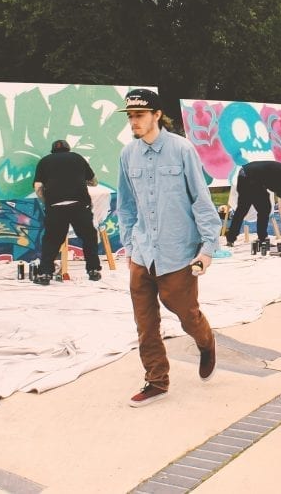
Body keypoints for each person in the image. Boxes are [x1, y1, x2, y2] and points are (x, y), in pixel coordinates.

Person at [116, 88, 222, 407]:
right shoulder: (127, 154)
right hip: (142, 253)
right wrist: (129, 245)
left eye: (140, 115)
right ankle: (156, 380)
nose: (134, 121)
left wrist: (207, 249)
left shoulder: (182, 150)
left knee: (186, 314)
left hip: (178, 254)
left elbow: (202, 202)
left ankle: (206, 343)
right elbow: (125, 206)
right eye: (131, 116)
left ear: (157, 115)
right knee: (145, 324)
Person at [33, 140, 102, 284]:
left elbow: (38, 186)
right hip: (79, 205)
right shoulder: (77, 158)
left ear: (53, 151)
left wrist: (47, 202)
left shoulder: (44, 161)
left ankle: (45, 274)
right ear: (68, 149)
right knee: (89, 237)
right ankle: (93, 270)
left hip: (56, 207)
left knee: (51, 240)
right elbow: (94, 181)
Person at [224, 161, 281, 247]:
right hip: (249, 177)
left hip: (248, 175)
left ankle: (233, 238)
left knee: (251, 209)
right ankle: (261, 239)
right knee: (257, 208)